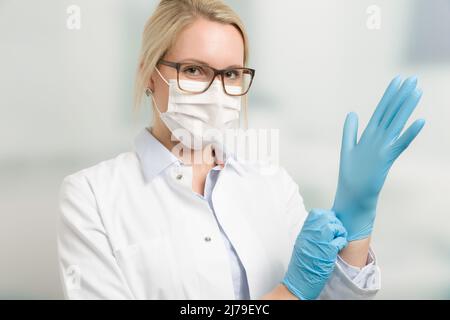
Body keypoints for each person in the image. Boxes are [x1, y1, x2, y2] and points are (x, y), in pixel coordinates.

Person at [57, 0, 425, 300]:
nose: (217, 90)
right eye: (195, 70)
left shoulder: (273, 184)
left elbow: (332, 298)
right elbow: (300, 292)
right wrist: (290, 292)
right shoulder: (91, 196)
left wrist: (357, 217)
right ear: (149, 74)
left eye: (232, 74)